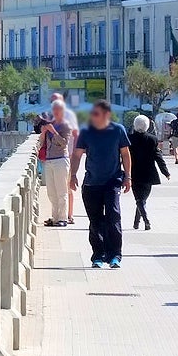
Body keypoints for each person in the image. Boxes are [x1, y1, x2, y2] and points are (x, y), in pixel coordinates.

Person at [70, 101, 132, 270]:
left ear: (106, 114)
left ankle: (115, 255)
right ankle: (98, 255)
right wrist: (73, 175)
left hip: (112, 182)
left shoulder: (118, 130)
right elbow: (77, 155)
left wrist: (128, 177)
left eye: (96, 113)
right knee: (96, 221)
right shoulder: (86, 132)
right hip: (91, 183)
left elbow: (125, 154)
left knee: (114, 217)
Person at [127, 116, 171, 230]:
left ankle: (137, 222)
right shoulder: (152, 139)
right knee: (141, 199)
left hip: (134, 173)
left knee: (139, 199)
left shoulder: (129, 139)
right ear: (147, 126)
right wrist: (165, 172)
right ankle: (146, 221)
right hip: (148, 173)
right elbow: (158, 156)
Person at [38, 97, 76, 227]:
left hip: (60, 159)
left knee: (61, 191)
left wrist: (53, 131)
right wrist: (43, 133)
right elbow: (42, 143)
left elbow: (64, 143)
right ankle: (54, 217)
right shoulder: (50, 123)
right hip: (49, 160)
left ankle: (63, 218)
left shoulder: (65, 125)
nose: (56, 112)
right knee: (51, 192)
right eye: (54, 109)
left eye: (58, 110)